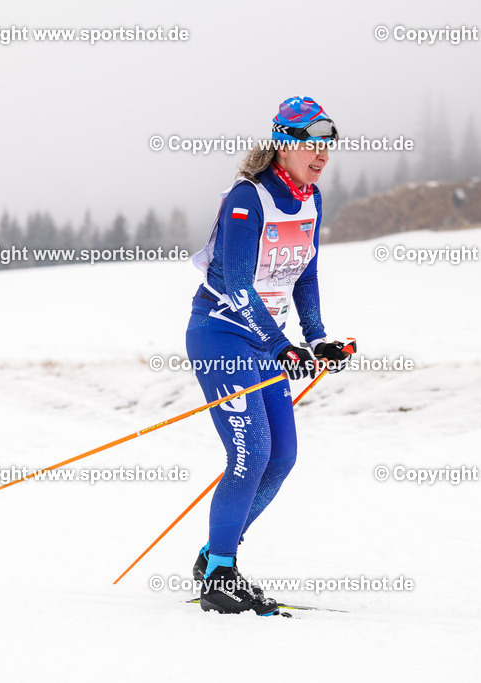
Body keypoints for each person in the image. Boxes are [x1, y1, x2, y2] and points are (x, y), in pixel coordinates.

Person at [186, 96, 352, 616]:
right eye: (312, 144)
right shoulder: (248, 198)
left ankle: (215, 555)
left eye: (328, 145)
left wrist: (317, 338)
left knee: (281, 458)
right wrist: (282, 346)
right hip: (222, 336)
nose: (322, 155)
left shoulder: (311, 198)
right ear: (284, 144)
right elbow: (237, 284)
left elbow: (306, 273)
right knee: (250, 455)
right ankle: (221, 575)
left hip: (266, 339)